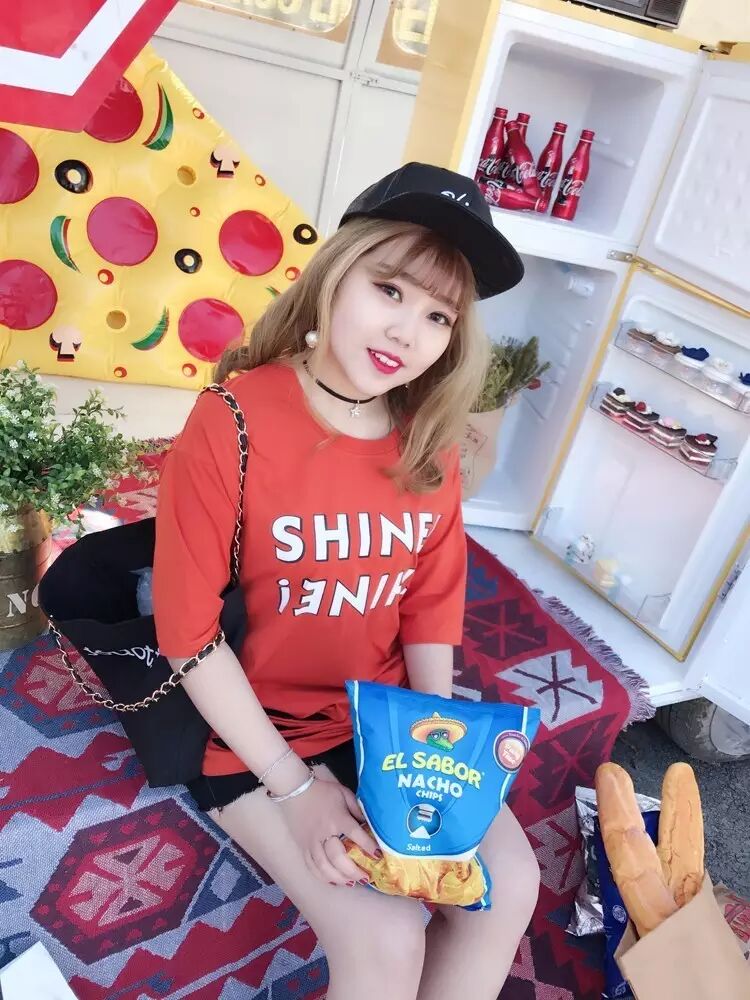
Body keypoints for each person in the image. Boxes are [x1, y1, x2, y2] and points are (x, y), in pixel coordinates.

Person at [153, 162, 540, 1000]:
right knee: (387, 933)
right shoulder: (232, 419)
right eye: (389, 289)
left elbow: (429, 607)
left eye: (438, 315)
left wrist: (435, 754)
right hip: (252, 730)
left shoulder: (428, 439)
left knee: (509, 884)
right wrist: (296, 790)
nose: (407, 331)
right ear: (336, 272)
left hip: (383, 723)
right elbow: (186, 636)